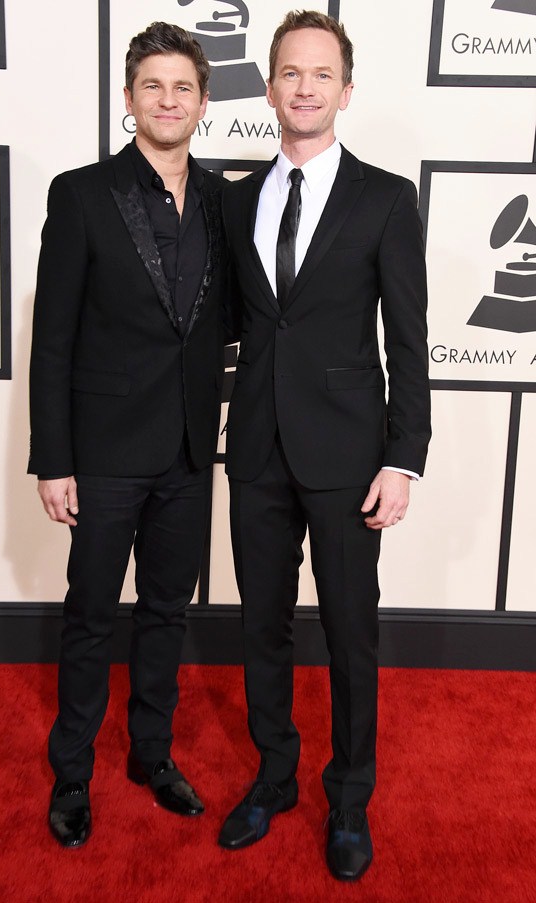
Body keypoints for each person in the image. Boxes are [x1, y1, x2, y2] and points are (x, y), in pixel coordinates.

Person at [218, 10, 431, 882]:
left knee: (350, 632)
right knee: (261, 627)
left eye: (321, 74)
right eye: (289, 73)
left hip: (349, 456)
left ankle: (348, 796)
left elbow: (408, 340)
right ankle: (276, 776)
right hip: (258, 450)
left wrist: (403, 453)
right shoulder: (234, 199)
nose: (303, 88)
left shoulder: (386, 197)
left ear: (346, 89)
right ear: (268, 86)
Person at [29, 21, 232, 848]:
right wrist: (54, 459)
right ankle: (71, 774)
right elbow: (52, 338)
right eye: (153, 85)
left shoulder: (227, 200)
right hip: (105, 451)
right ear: (128, 101)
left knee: (163, 615)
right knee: (89, 615)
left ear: (204, 103)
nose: (169, 99)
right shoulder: (79, 193)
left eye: (183, 86)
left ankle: (152, 752)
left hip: (189, 446)